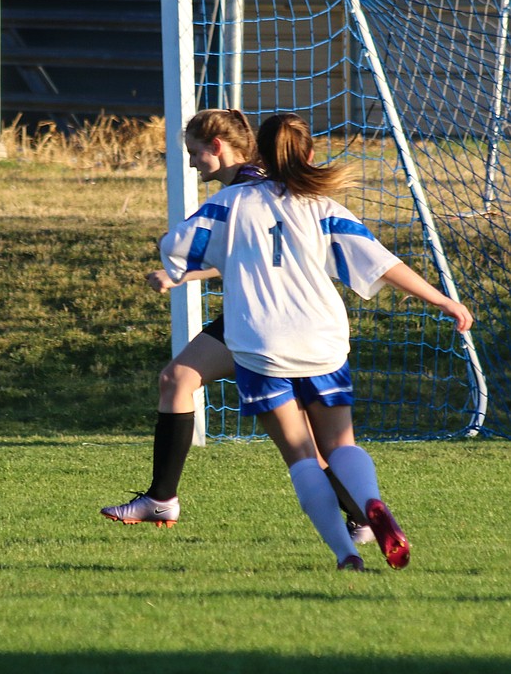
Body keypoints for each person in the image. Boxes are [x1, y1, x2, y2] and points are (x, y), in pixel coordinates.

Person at [158, 112, 473, 570]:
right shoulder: (324, 208)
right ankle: (370, 505)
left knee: (303, 456)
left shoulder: (229, 204)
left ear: (259, 154)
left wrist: (185, 268)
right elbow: (383, 264)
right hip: (322, 339)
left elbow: (177, 246)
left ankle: (346, 554)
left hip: (260, 345)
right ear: (307, 155)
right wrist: (444, 301)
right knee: (341, 446)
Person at [100, 109, 374, 545]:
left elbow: (262, 251)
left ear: (218, 147)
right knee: (177, 379)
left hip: (270, 320)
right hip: (263, 317)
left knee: (309, 448)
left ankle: (363, 518)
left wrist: (179, 271)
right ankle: (161, 498)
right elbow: (241, 251)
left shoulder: (252, 188)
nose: (191, 163)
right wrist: (183, 275)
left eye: (194, 153)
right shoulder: (247, 186)